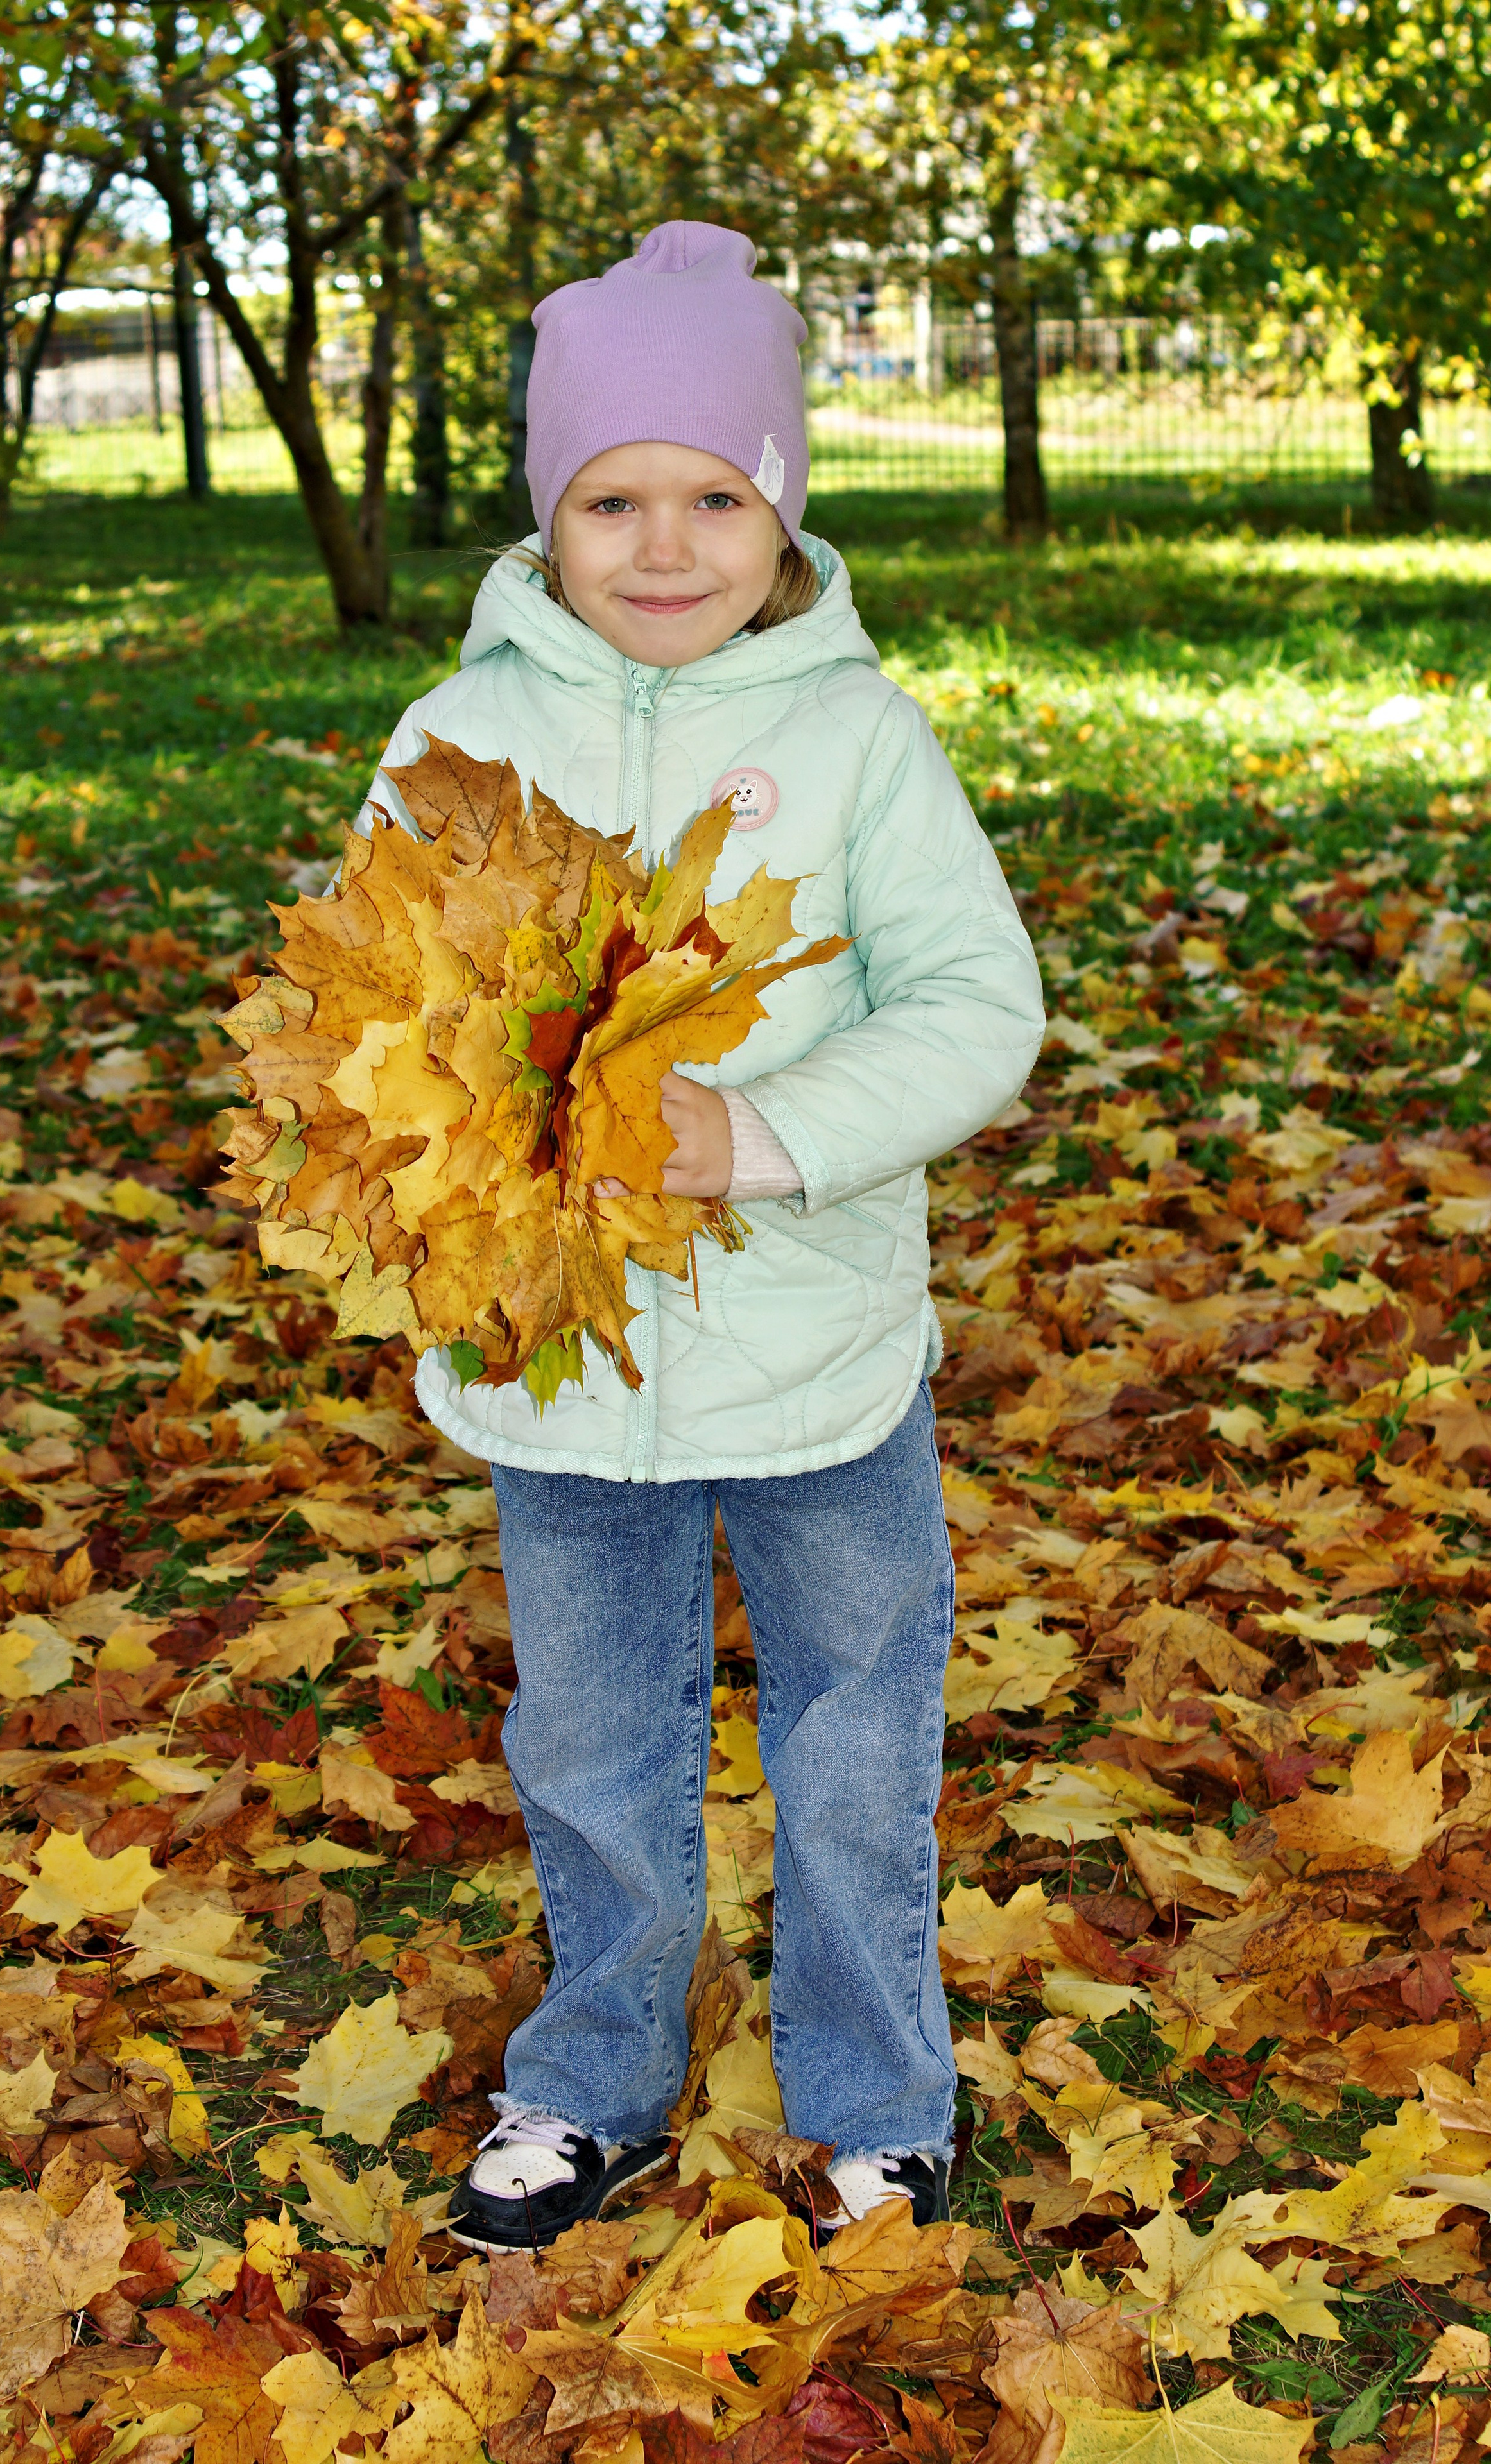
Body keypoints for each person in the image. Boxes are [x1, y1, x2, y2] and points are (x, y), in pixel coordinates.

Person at [356, 220, 1044, 2252]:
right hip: (555, 1366)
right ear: (549, 514)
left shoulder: (856, 740)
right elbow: (375, 1017)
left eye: (718, 497)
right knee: (585, 1738)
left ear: (784, 506)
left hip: (817, 1354)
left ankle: (878, 2096)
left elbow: (976, 1006)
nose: (667, 545)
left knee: (854, 1726)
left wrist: (764, 1133)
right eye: (613, 499)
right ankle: (588, 2085)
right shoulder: (450, 736)